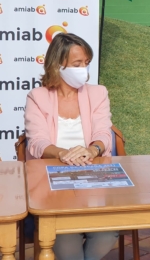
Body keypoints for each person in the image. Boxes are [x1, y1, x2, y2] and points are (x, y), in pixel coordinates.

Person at [24, 33, 118, 260]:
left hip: (93, 179)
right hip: (52, 187)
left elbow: (104, 133)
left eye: (86, 63)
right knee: (66, 243)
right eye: (77, 64)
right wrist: (64, 153)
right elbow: (36, 142)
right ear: (58, 65)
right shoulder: (37, 96)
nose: (84, 69)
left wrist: (92, 150)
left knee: (107, 234)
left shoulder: (98, 93)